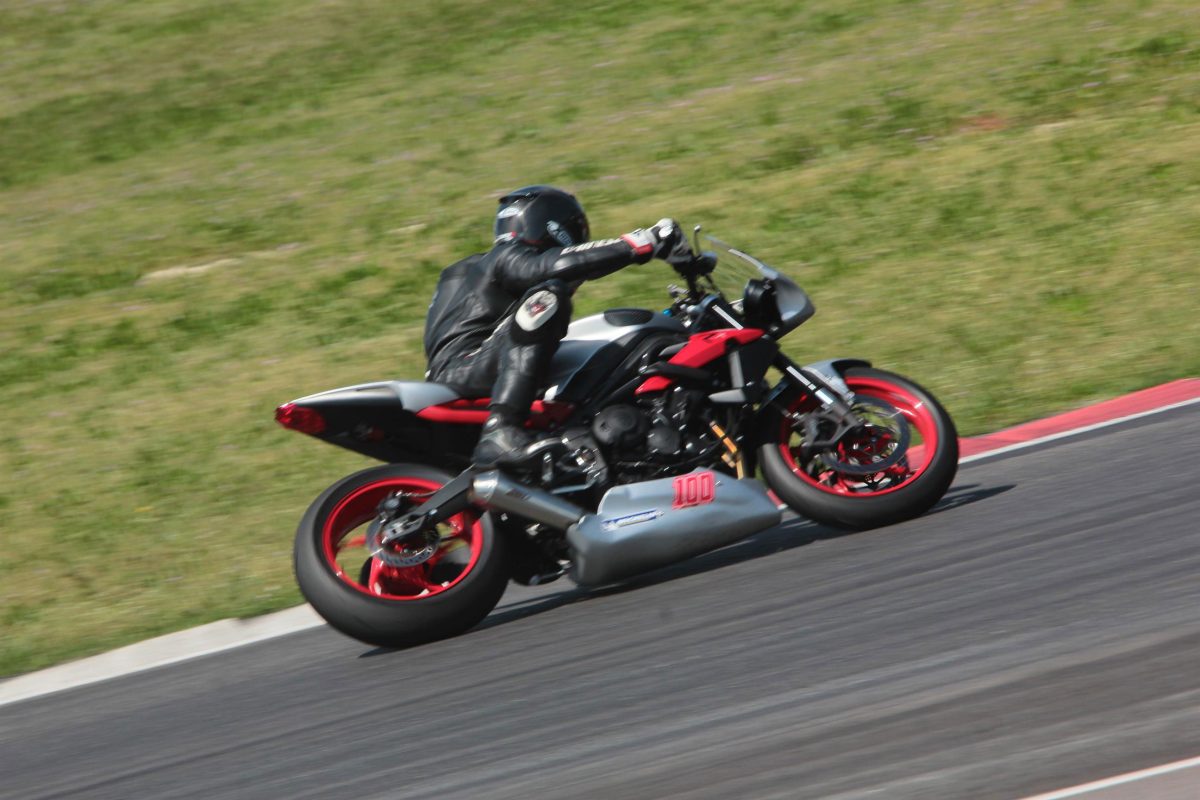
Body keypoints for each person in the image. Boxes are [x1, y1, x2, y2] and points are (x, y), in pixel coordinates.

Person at [423, 185, 694, 468]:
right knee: (546, 298)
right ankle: (501, 427)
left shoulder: (484, 269)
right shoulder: (504, 257)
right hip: (466, 368)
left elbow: (573, 265)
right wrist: (642, 242)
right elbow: (555, 265)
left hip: (466, 367)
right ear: (550, 224)